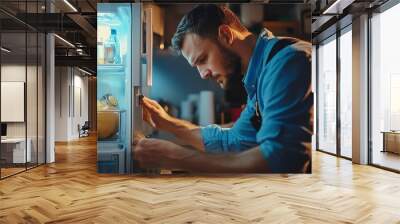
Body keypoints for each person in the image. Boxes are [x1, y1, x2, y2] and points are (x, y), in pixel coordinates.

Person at [134, 4, 313, 173]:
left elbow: (282, 158)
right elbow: (233, 140)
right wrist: (167, 123)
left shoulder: (286, 63)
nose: (202, 74)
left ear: (226, 35)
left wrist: (177, 157)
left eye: (202, 59)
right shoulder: (258, 76)